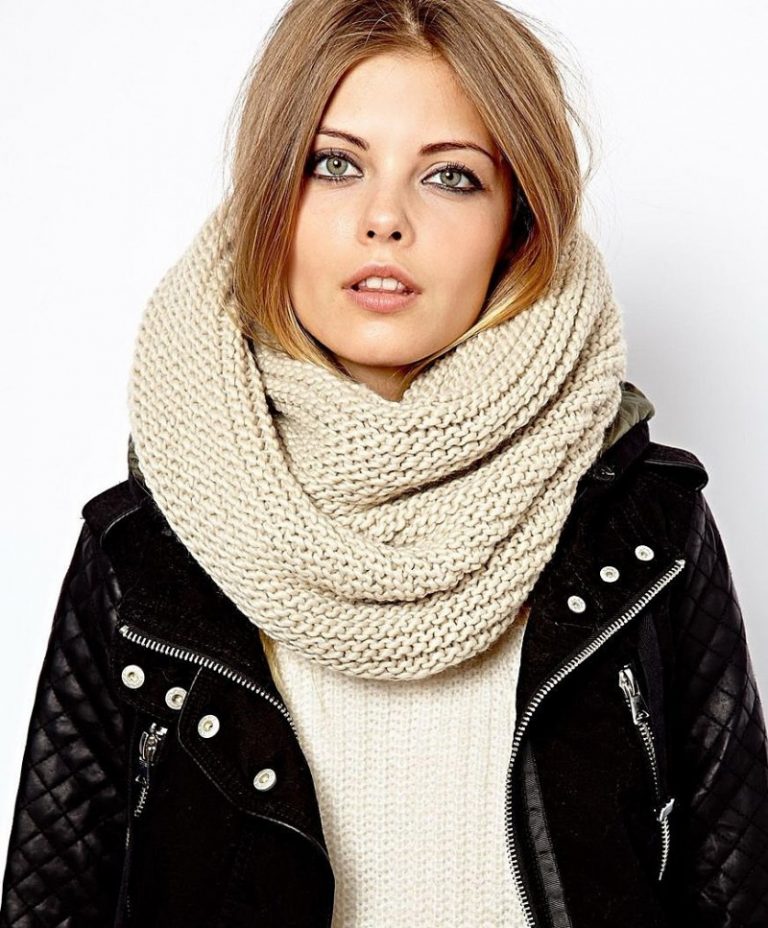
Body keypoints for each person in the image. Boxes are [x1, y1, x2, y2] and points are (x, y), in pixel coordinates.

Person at [1, 0, 767, 925]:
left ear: (517, 224)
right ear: (271, 200)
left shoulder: (649, 530)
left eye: (450, 176)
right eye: (334, 164)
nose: (385, 219)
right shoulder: (141, 548)